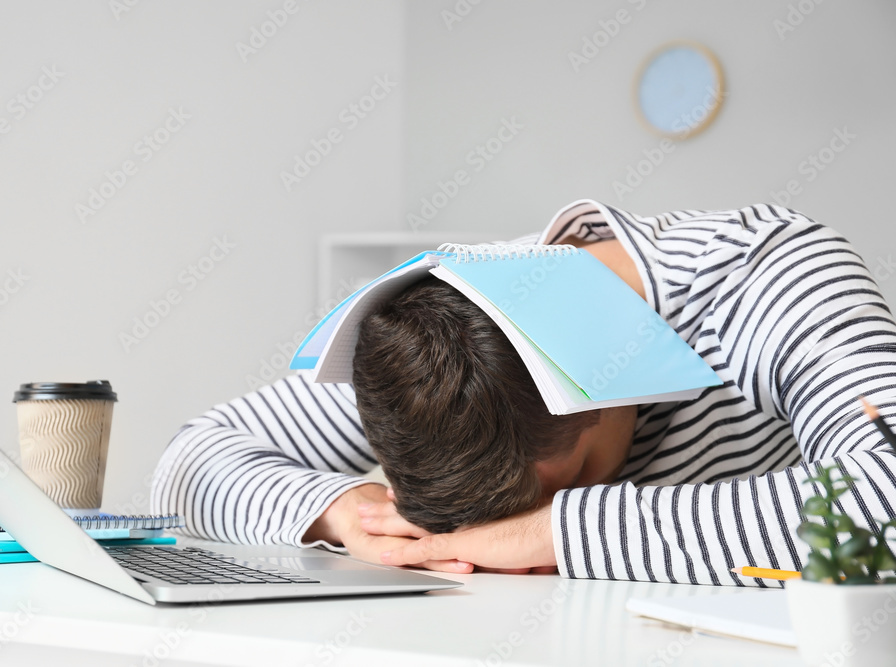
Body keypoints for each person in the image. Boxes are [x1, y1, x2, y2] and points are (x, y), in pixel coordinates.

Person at [150, 199, 896, 586]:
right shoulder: (455, 321)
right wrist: (343, 510)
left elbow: (885, 500)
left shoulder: (771, 276)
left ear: (609, 378)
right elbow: (189, 462)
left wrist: (556, 530)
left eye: (565, 480)